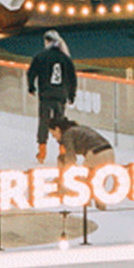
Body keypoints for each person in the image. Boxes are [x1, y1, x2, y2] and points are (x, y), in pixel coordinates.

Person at [25, 31, 77, 163]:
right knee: (60, 122)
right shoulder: (65, 58)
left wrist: (31, 87)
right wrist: (71, 94)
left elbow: (31, 73)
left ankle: (42, 150)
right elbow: (72, 78)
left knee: (44, 121)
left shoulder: (41, 56)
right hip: (60, 95)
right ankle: (62, 149)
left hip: (46, 95)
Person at [49, 117, 114, 168]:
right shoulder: (78, 129)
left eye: (53, 134)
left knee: (82, 182)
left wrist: (63, 175)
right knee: (96, 182)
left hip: (97, 153)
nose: (54, 137)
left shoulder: (67, 134)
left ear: (57, 129)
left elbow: (70, 157)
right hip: (109, 152)